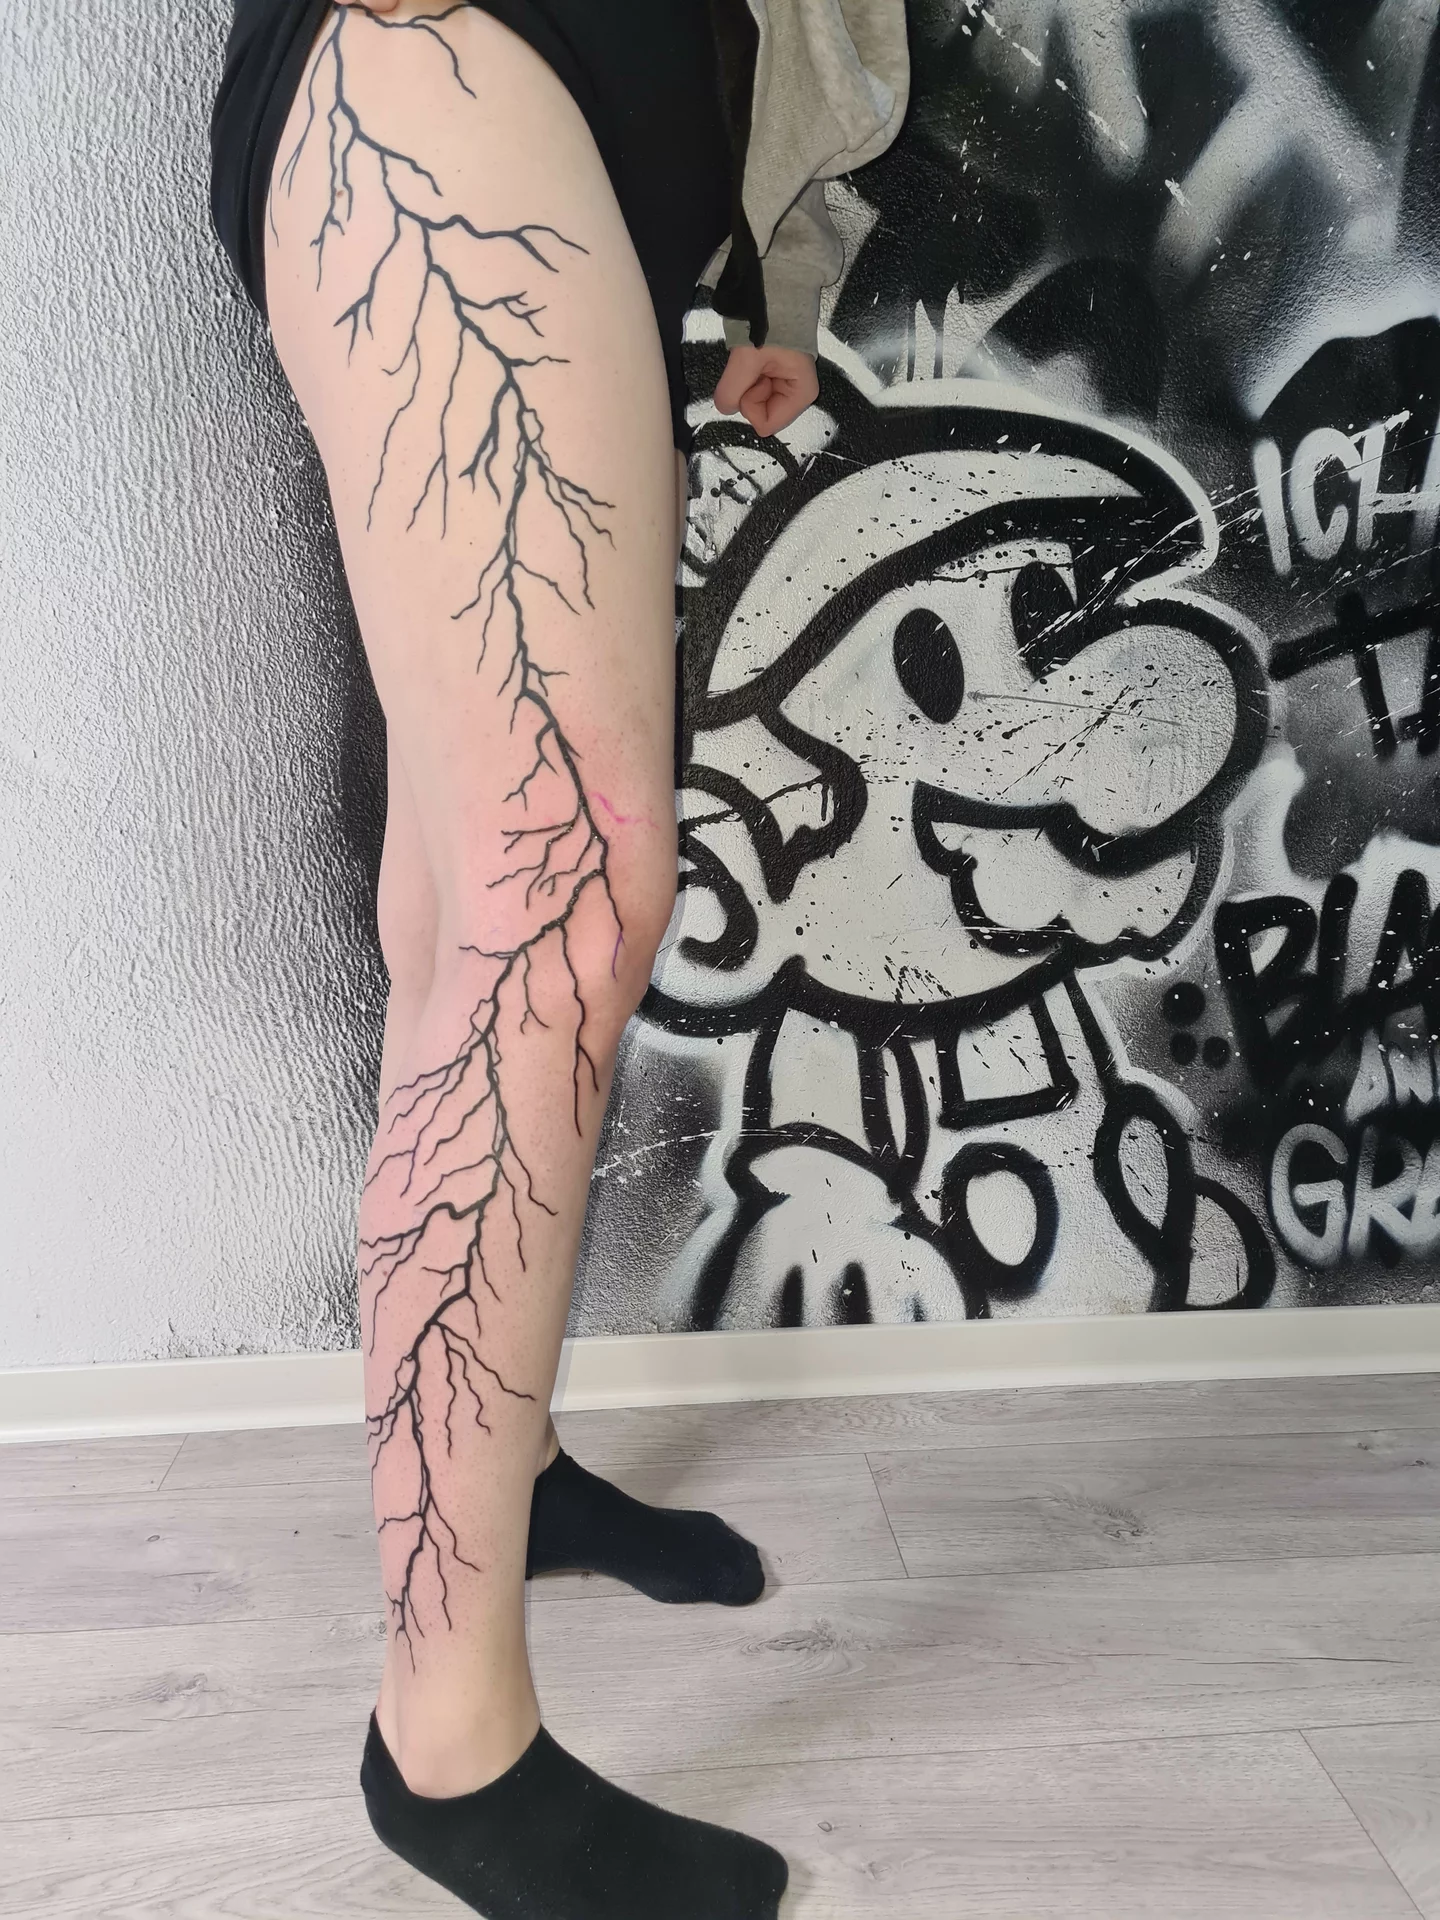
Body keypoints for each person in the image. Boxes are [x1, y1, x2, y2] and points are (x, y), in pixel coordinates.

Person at [209, 2, 908, 1911]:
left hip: (616, 132)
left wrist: (780, 252)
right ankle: (450, 1749)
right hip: (436, 55)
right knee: (564, 891)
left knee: (468, 906)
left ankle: (502, 1481)